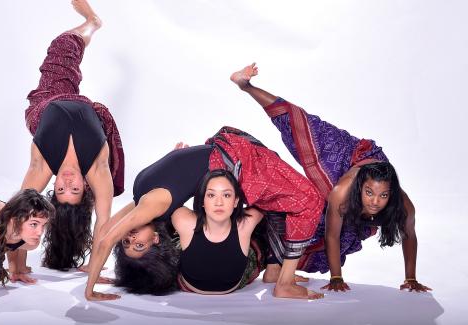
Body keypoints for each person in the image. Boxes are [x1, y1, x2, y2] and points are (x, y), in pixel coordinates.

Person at [230, 62, 431, 293]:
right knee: (300, 123)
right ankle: (245, 86)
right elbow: (331, 235)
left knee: (316, 227)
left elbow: (409, 236)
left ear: (391, 194)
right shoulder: (342, 192)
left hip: (368, 175)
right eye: (369, 193)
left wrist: (411, 278)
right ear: (360, 189)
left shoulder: (404, 205)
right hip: (348, 153)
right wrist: (337, 277)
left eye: (383, 196)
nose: (375, 201)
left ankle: (276, 266)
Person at [86, 128, 326, 301]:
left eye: (126, 242)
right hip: (234, 160)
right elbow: (108, 239)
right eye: (138, 245)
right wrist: (90, 291)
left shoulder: (143, 201)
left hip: (227, 153)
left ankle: (276, 271)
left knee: (282, 200)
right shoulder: (155, 206)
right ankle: (283, 281)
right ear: (154, 242)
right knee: (307, 200)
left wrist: (93, 272)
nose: (130, 236)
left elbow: (106, 231)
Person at [10, 0, 125, 275]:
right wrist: (94, 267)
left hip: (48, 100)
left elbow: (17, 215)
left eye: (60, 189)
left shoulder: (43, 166)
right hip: (78, 101)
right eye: (74, 190)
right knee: (69, 52)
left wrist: (18, 266)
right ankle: (92, 22)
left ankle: (91, 23)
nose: (68, 182)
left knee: (61, 47)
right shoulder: (97, 169)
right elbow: (104, 222)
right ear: (86, 188)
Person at [114, 169, 266, 296]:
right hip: (191, 279)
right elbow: (266, 197)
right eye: (211, 195)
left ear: (235, 201)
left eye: (226, 195)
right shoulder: (185, 222)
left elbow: (160, 200)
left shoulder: (183, 221)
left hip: (192, 273)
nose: (219, 202)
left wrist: (170, 175)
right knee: (259, 243)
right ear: (201, 201)